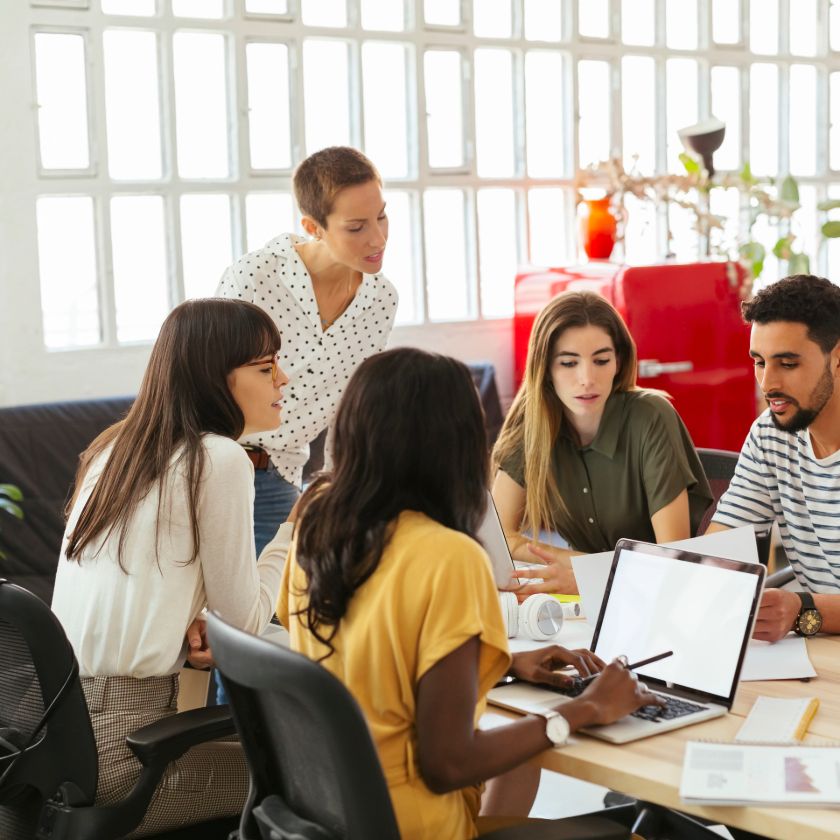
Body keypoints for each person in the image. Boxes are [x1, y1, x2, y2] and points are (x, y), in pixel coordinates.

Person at [277, 348, 662, 840]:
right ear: (452, 444)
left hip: (338, 813)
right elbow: (448, 763)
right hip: (417, 824)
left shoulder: (318, 521)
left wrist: (499, 661)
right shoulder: (450, 556)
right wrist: (585, 709)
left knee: (522, 756)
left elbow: (356, 656)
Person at [51, 298, 292, 838]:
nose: (284, 377)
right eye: (263, 367)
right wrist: (295, 533)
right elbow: (248, 623)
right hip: (129, 760)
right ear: (214, 380)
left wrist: (195, 619)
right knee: (327, 775)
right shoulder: (218, 459)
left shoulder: (114, 450)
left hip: (63, 746)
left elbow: (141, 591)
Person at [217, 145, 398, 554]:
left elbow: (354, 404)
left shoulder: (381, 299)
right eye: (356, 227)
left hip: (282, 474)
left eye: (382, 216)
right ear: (314, 227)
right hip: (216, 468)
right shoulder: (255, 279)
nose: (378, 238)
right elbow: (202, 378)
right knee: (218, 614)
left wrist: (337, 489)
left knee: (284, 609)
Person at [492, 291, 712, 597]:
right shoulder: (532, 424)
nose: (587, 378)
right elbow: (499, 537)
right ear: (546, 370)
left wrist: (591, 574)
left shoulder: (651, 416)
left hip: (672, 597)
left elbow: (671, 559)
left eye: (601, 360)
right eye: (568, 363)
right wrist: (587, 568)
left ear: (618, 363)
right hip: (591, 603)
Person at [707, 274, 840, 643]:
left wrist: (803, 611)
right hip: (816, 651)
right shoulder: (771, 434)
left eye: (787, 363)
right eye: (759, 362)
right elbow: (720, 553)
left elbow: (803, 611)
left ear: (837, 358)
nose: (767, 384)